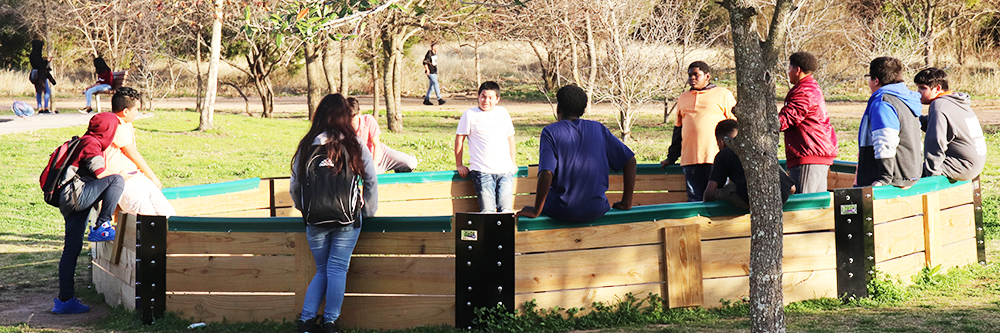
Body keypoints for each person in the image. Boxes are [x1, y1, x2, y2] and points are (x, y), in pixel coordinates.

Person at [290, 94, 378, 333]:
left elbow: (295, 186)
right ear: (344, 116)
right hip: (347, 219)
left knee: (322, 269)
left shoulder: (308, 145)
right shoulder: (354, 144)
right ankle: (330, 322)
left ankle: (307, 321)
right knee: (337, 268)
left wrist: (305, 210)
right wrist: (368, 210)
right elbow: (370, 179)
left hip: (314, 220)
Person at [516, 85, 637, 222]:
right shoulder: (598, 129)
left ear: (558, 108)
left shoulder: (550, 132)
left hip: (561, 210)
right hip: (597, 210)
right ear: (583, 110)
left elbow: (546, 174)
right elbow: (630, 161)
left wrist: (536, 210)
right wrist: (626, 202)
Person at [53, 112, 125, 314]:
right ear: (107, 129)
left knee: (72, 249)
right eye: (114, 128)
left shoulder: (86, 140)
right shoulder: (91, 144)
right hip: (75, 198)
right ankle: (102, 226)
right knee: (117, 181)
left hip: (68, 198)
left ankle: (64, 301)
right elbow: (102, 175)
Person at [662, 61, 736, 201]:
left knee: (718, 198)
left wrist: (733, 153)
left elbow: (734, 127)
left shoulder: (723, 94)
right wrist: (671, 158)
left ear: (707, 76)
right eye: (690, 75)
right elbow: (678, 131)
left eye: (696, 75)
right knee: (694, 200)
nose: (692, 78)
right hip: (690, 160)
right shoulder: (683, 98)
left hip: (715, 158)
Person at [103, 87, 176, 216]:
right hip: (123, 180)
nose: (137, 112)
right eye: (136, 109)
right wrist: (153, 177)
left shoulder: (126, 123)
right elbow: (133, 153)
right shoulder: (115, 124)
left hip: (136, 177)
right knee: (147, 218)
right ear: (125, 111)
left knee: (168, 214)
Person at [857, 57, 923, 188]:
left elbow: (885, 138)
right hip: (910, 173)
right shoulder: (906, 99)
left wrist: (885, 177)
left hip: (892, 179)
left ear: (876, 80)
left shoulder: (883, 102)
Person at [913, 68, 987, 181]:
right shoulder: (955, 101)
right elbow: (932, 123)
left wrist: (932, 172)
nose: (919, 92)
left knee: (911, 173)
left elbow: (936, 140)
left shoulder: (939, 105)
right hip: (975, 163)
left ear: (937, 88)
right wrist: (911, 118)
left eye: (923, 88)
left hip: (962, 165)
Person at [779, 51, 837, 193]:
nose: (788, 72)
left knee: (803, 204)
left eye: (790, 68)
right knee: (817, 205)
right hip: (818, 153)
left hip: (808, 154)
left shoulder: (803, 92)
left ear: (797, 70)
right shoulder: (812, 87)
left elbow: (786, 119)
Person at [703, 119, 796, 209]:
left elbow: (709, 193)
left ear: (721, 142)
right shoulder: (760, 148)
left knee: (726, 189)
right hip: (781, 196)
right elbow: (792, 188)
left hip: (748, 197)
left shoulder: (724, 154)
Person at [455, 81, 517, 213]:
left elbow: (510, 138)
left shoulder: (503, 113)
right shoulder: (470, 114)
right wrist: (459, 164)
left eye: (490, 98)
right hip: (482, 171)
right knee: (487, 211)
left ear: (497, 99)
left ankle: (503, 235)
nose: (486, 101)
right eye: (483, 96)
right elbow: (459, 139)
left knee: (506, 211)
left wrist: (513, 163)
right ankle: (489, 235)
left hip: (505, 171)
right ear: (478, 96)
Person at [347, 97, 419, 173]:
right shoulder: (344, 128)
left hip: (382, 155)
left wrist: (373, 168)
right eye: (348, 117)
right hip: (364, 162)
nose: (351, 121)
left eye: (353, 117)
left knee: (411, 163)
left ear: (359, 113)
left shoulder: (368, 120)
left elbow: (376, 145)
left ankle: (401, 167)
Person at [29, 40, 57, 114]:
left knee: (38, 92)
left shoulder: (32, 54)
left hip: (35, 75)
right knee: (47, 91)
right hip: (41, 76)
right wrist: (47, 61)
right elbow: (40, 65)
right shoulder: (36, 55)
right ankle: (46, 107)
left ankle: (40, 107)